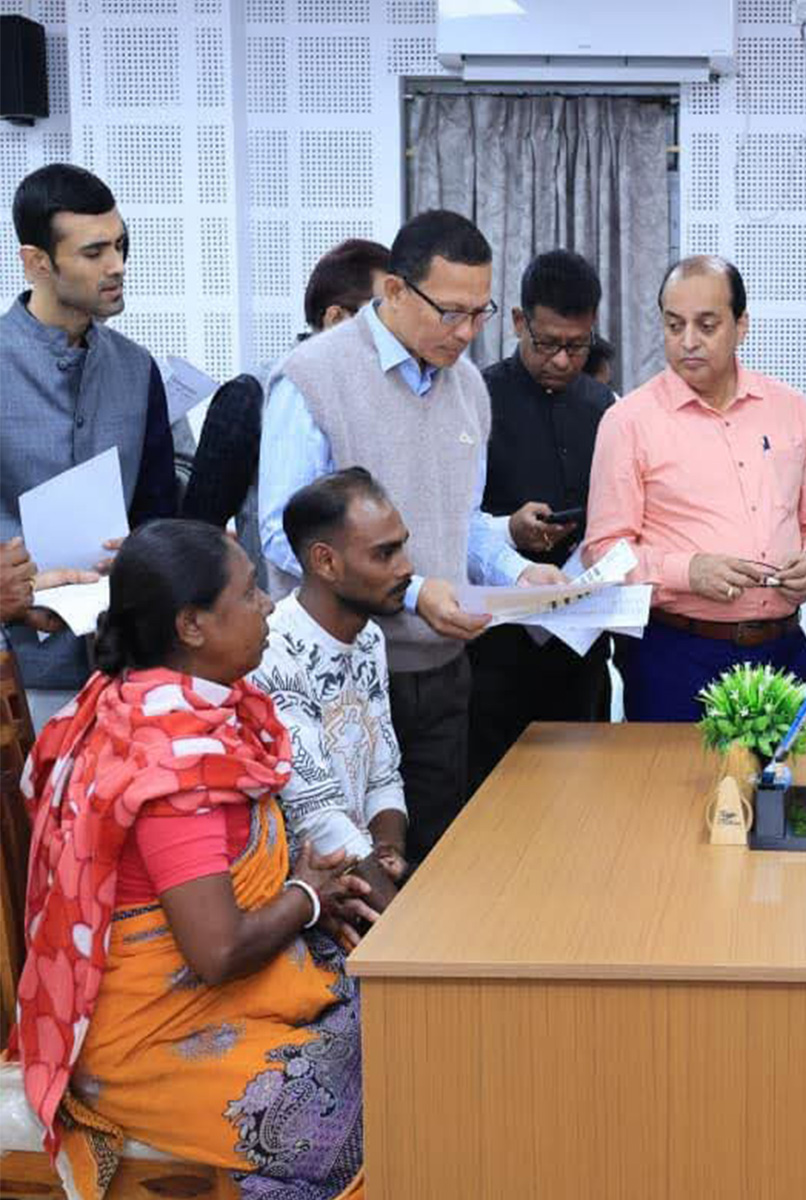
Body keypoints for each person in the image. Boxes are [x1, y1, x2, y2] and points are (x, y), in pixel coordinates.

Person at [12, 519, 370, 1199]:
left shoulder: (159, 708)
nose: (268, 604)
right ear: (193, 627)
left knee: (410, 1015)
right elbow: (217, 950)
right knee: (387, 1105)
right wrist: (308, 896)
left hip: (202, 998)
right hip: (155, 1040)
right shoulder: (174, 763)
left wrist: (309, 903)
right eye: (248, 592)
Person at [258, 210, 562, 864]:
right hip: (332, 679)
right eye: (452, 312)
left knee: (433, 866)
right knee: (343, 872)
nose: (468, 333)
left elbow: (462, 516)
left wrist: (515, 572)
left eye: (481, 313)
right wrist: (412, 590)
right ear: (394, 291)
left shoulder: (469, 388)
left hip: (444, 674)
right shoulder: (314, 376)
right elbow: (284, 535)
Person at [584, 255, 806, 720]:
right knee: (675, 793)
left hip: (782, 651)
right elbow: (603, 554)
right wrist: (688, 572)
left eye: (707, 325)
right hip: (676, 655)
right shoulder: (628, 422)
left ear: (741, 325)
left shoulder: (792, 410)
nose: (688, 342)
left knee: (781, 791)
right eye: (674, 325)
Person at [0, 163, 177, 728]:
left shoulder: (134, 368)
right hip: (17, 670)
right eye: (94, 251)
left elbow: (156, 511)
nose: (118, 266)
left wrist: (143, 555)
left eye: (121, 245)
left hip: (120, 666)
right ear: (37, 263)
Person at [469, 250, 615, 789]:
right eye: (547, 343)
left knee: (584, 793)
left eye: (577, 346)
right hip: (495, 650)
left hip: (581, 644)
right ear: (518, 323)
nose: (561, 360)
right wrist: (512, 529)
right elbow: (453, 514)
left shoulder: (606, 405)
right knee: (496, 796)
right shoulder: (476, 397)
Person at [184, 238, 391, 587]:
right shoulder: (250, 395)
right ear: (336, 318)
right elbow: (197, 535)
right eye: (385, 318)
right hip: (278, 619)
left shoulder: (388, 392)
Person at [250, 469, 409, 876]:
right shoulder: (271, 651)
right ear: (326, 561)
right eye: (384, 554)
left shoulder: (370, 638)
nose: (406, 568)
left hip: (359, 874)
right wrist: (396, 916)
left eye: (402, 548)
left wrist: (388, 852)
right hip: (307, 895)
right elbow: (317, 817)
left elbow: (383, 777)